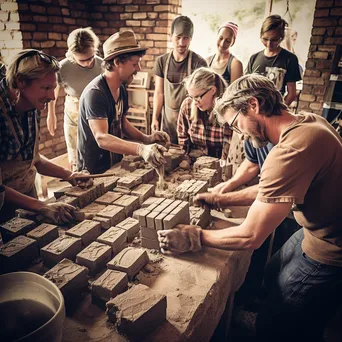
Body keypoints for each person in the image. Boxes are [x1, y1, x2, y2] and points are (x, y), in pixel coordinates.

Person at [158, 74, 342, 342]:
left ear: (253, 105)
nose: (240, 132)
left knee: (280, 323)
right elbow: (278, 189)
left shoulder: (290, 149)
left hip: (333, 246)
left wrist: (194, 237)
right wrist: (222, 199)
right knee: (272, 270)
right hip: (318, 228)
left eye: (236, 123)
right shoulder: (307, 122)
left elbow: (251, 236)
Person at [0, 49, 91, 224]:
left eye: (53, 88)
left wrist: (68, 175)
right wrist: (41, 206)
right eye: (46, 88)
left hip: (27, 196)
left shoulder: (31, 105)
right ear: (21, 82)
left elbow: (34, 160)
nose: (51, 96)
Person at [77, 30, 169, 174]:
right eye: (134, 64)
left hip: (114, 164)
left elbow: (122, 122)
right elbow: (101, 137)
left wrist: (147, 139)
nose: (138, 69)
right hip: (93, 170)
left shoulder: (121, 88)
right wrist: (140, 149)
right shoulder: (95, 94)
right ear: (117, 62)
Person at [47, 27, 103, 171]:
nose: (88, 63)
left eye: (90, 58)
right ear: (72, 55)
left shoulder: (102, 65)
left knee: (98, 152)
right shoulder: (62, 67)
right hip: (73, 112)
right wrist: (51, 114)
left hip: (97, 110)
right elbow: (54, 90)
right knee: (76, 157)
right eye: (82, 60)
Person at [151, 15, 207, 143]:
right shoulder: (162, 62)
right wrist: (155, 117)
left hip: (190, 124)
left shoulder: (198, 63)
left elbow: (202, 97)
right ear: (171, 36)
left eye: (186, 38)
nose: (182, 43)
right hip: (167, 123)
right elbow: (159, 93)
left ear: (191, 38)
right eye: (178, 37)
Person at [246, 15, 301, 106]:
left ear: (282, 37)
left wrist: (279, 110)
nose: (269, 43)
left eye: (274, 40)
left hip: (275, 111)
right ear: (260, 35)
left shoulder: (290, 59)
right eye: (265, 39)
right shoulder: (254, 58)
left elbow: (292, 94)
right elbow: (246, 88)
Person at [177, 67, 231, 160]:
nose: (195, 102)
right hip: (194, 161)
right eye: (191, 97)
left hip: (219, 162)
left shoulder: (228, 111)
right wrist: (185, 159)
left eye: (198, 97)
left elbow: (228, 148)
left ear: (213, 90)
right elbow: (182, 137)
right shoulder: (188, 105)